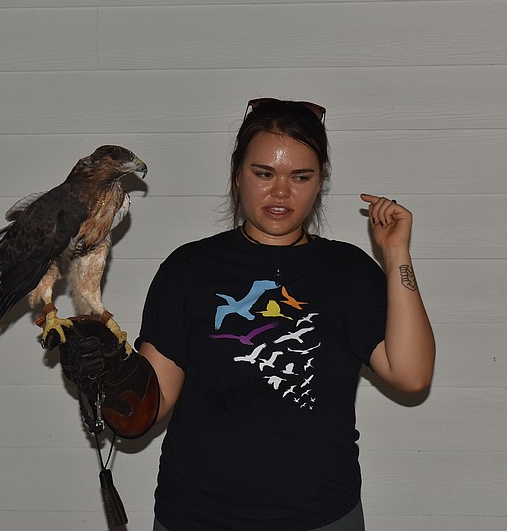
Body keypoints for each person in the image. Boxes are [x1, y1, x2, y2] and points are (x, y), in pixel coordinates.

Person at [133, 97, 435, 530]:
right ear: (238, 175)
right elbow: (150, 405)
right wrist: (109, 384)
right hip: (199, 516)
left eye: (300, 176)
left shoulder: (347, 271)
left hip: (322, 516)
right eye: (263, 173)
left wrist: (396, 254)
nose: (280, 192)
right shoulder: (188, 269)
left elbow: (412, 375)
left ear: (320, 181)